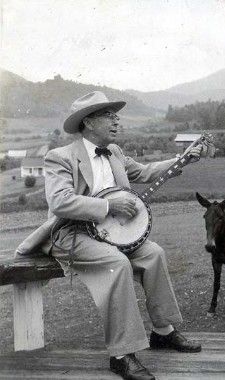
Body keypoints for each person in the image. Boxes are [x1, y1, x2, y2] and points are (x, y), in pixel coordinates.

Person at [15, 91, 203, 380]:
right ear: (89, 122)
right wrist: (107, 205)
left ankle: (163, 331)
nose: (116, 120)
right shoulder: (60, 157)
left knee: (153, 254)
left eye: (116, 115)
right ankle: (121, 355)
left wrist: (183, 158)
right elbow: (59, 201)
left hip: (113, 233)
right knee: (117, 264)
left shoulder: (114, 152)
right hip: (72, 233)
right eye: (108, 115)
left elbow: (146, 171)